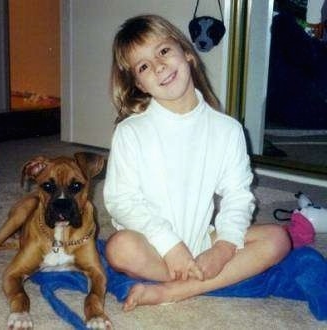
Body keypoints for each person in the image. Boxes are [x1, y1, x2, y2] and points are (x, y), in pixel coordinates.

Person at [103, 14, 291, 312]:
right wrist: (171, 247)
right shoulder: (130, 133)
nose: (159, 66)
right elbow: (121, 202)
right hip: (153, 246)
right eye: (144, 66)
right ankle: (194, 280)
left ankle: (173, 291)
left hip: (204, 240)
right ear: (139, 84)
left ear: (187, 53)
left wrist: (224, 247)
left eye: (163, 51)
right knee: (119, 248)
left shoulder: (228, 130)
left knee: (279, 239)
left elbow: (237, 195)